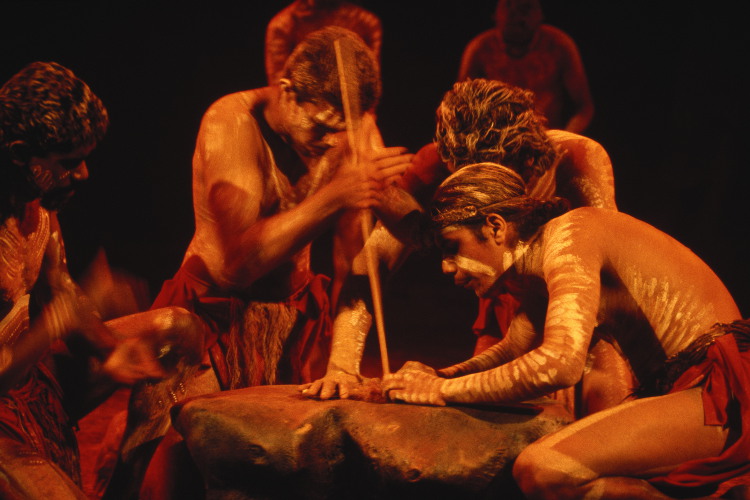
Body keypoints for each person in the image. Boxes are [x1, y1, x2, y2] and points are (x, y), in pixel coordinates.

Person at [106, 27, 414, 499]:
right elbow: (236, 266)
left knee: (265, 469)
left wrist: (442, 214)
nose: (333, 144)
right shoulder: (230, 122)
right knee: (168, 460)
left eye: (342, 132)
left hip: (288, 320)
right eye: (322, 127)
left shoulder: (350, 125)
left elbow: (398, 209)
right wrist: (335, 195)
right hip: (210, 316)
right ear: (288, 94)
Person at [382, 162, 747, 499]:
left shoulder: (572, 235)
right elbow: (517, 349)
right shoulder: (538, 266)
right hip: (695, 390)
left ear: (495, 226)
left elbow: (559, 363)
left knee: (543, 469)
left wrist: (442, 390)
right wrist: (434, 377)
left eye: (452, 247)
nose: (447, 268)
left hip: (728, 389)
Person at [304, 78, 628, 418]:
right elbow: (375, 257)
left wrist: (559, 352)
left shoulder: (576, 159)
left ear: (524, 157)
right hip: (513, 310)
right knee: (480, 421)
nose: (476, 187)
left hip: (584, 307)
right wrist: (342, 364)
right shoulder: (435, 163)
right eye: (466, 178)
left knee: (604, 384)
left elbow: (611, 281)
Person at [0, 62, 203, 498]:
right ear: (19, 153)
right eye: (69, 162)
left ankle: (122, 490)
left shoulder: (37, 201)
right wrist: (56, 322)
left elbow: (60, 284)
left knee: (176, 331)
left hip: (32, 383)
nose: (84, 173)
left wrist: (113, 350)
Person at [458, 0, 594, 133]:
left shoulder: (559, 46)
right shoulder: (480, 49)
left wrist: (563, 141)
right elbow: (460, 106)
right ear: (495, 14)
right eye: (509, 6)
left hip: (548, 138)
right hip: (495, 144)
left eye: (526, 7)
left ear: (540, 14)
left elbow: (583, 108)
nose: (518, 15)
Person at [265, 0, 382, 85]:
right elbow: (279, 85)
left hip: (352, 109)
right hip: (302, 108)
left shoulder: (366, 23)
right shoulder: (282, 26)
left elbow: (370, 82)